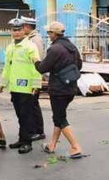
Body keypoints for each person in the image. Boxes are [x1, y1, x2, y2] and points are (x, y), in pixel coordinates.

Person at [35, 21, 84, 158]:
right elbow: (79, 65)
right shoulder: (72, 47)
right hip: (71, 88)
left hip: (58, 89)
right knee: (59, 116)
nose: (48, 35)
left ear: (54, 34)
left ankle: (75, 146)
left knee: (60, 118)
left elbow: (42, 68)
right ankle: (52, 145)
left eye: (49, 33)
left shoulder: (55, 49)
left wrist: (35, 61)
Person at [0, 18, 42, 154]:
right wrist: (2, 83)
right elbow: (7, 67)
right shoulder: (10, 47)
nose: (16, 33)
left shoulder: (30, 46)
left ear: (25, 30)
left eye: (19, 30)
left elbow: (36, 67)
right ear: (10, 31)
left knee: (26, 115)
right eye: (14, 30)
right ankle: (22, 139)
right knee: (20, 115)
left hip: (26, 87)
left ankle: (27, 142)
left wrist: (36, 85)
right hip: (15, 88)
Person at [21, 16, 46, 141]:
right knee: (30, 104)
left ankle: (39, 131)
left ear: (27, 27)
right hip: (29, 76)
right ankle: (33, 129)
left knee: (33, 104)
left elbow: (38, 61)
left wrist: (36, 81)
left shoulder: (35, 40)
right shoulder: (30, 38)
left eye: (22, 26)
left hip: (34, 76)